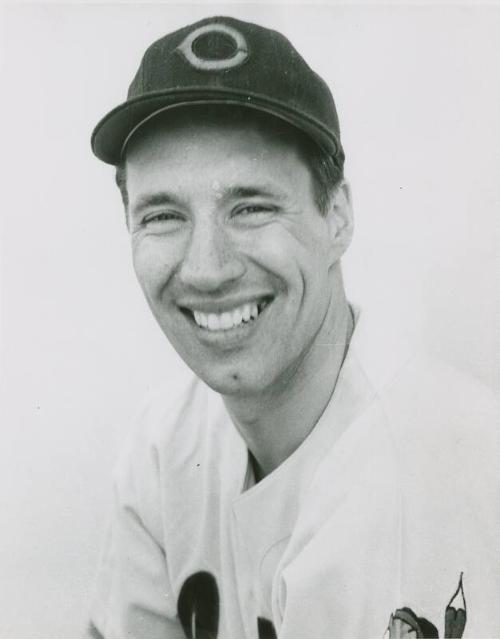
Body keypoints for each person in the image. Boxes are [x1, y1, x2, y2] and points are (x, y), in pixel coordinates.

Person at [88, 15, 500, 639]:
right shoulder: (164, 448)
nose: (206, 268)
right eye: (164, 215)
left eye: (251, 207)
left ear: (337, 216)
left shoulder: (460, 476)